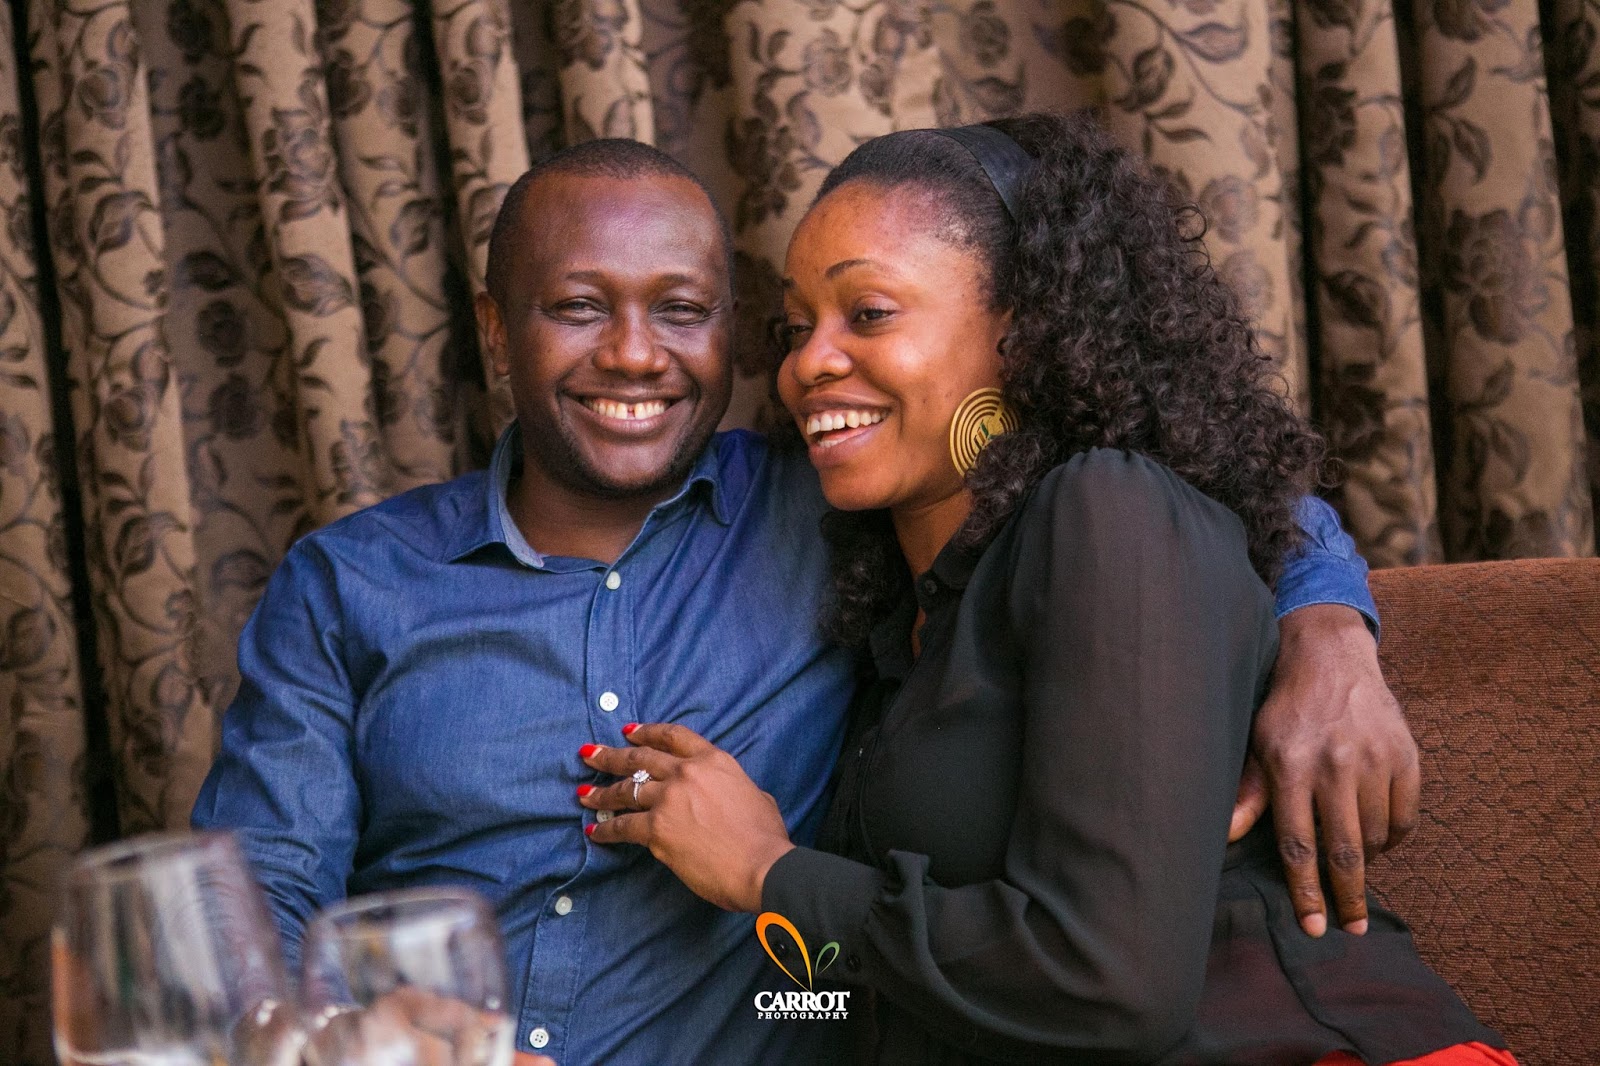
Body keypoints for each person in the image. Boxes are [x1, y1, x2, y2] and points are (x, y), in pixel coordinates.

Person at [196, 137, 1413, 1065]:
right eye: (577, 306)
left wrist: (1327, 626)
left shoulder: (829, 497)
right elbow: (251, 903)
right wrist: (341, 1029)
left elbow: (1180, 476)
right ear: (495, 331)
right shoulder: (350, 583)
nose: (635, 353)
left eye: (684, 310)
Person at [574, 116, 1515, 1063]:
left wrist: (767, 871)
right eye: (795, 327)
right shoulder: (897, 617)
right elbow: (874, 998)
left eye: (869, 313)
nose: (807, 363)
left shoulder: (1107, 507)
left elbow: (1110, 984)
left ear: (1021, 331)